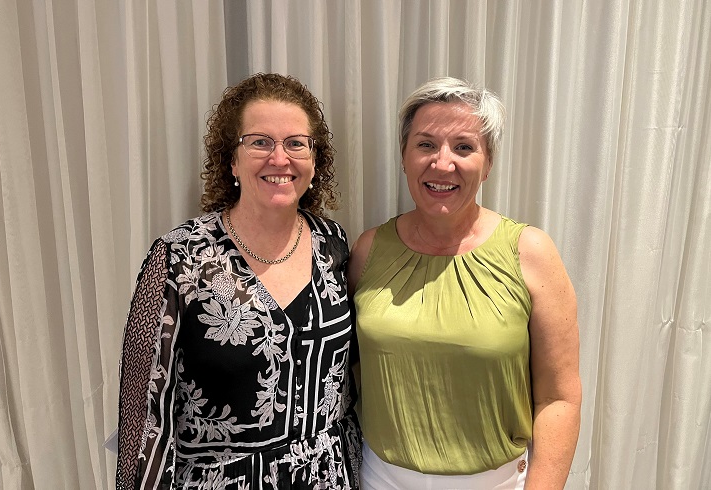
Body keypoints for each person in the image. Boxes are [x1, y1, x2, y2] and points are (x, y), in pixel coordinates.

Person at [116, 73, 362, 489]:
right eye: (260, 142)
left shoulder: (332, 243)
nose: (279, 158)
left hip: (332, 477)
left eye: (295, 143)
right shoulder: (179, 258)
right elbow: (143, 417)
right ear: (231, 159)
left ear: (315, 161)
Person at [348, 77, 581, 489]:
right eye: (424, 144)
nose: (442, 163)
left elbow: (559, 398)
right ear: (403, 156)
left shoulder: (530, 252)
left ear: (488, 163)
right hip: (380, 477)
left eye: (463, 147)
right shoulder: (369, 250)